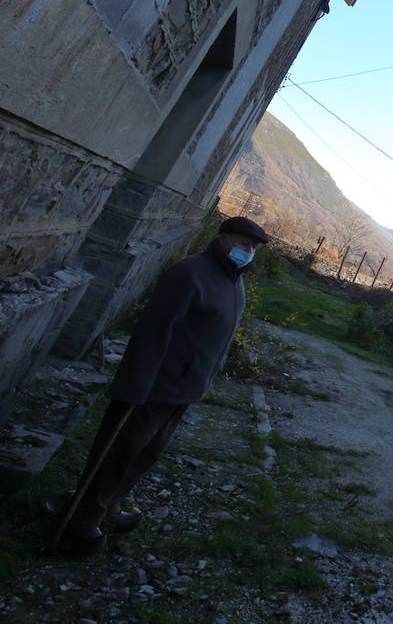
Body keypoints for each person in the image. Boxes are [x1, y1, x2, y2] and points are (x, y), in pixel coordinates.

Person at [59, 216, 270, 554]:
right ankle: (81, 522)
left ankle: (110, 508)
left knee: (148, 452)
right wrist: (135, 386)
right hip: (155, 386)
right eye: (244, 244)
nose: (249, 252)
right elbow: (153, 333)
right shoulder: (189, 274)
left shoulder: (233, 281)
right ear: (224, 239)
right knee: (117, 453)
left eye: (254, 248)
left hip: (186, 387)